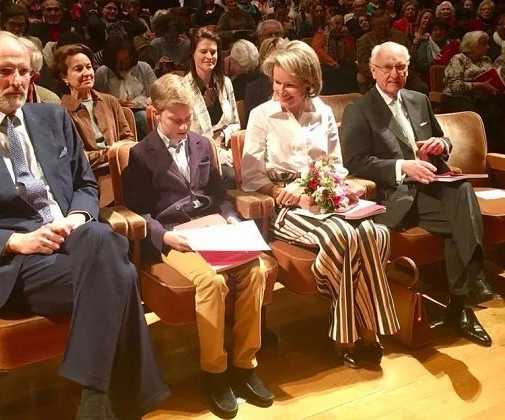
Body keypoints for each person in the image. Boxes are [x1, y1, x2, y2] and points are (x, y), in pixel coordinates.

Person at [0, 30, 169, 420]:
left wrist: (75, 218)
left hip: (74, 241)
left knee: (100, 237)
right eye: (4, 71)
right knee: (117, 267)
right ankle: (115, 400)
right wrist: (16, 241)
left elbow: (85, 183)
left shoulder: (52, 117)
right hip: (15, 266)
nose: (17, 81)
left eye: (23, 71)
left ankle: (95, 400)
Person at [123, 72, 273, 419]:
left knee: (256, 269)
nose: (183, 125)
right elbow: (140, 212)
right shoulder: (141, 155)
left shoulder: (202, 145)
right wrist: (164, 236)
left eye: (188, 117)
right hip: (177, 237)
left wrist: (232, 219)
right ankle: (215, 373)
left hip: (215, 229)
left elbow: (219, 196)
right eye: (176, 119)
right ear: (154, 113)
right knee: (211, 282)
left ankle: (244, 365)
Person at [241, 40, 399, 368]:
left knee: (374, 232)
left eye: (290, 85)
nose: (281, 91)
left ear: (309, 83)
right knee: (344, 236)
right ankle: (356, 334)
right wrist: (280, 190)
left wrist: (332, 185)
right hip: (284, 206)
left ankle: (362, 331)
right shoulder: (261, 115)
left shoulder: (323, 112)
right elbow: (251, 177)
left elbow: (336, 165)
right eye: (277, 82)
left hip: (323, 197)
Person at [340, 41, 501, 348]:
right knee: (460, 217)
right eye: (387, 67)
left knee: (462, 189)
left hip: (435, 187)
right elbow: (355, 163)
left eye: (401, 66)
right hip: (397, 195)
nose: (394, 73)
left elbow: (441, 136)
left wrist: (442, 145)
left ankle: (461, 303)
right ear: (373, 70)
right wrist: (403, 166)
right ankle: (467, 294)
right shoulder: (358, 110)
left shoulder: (418, 99)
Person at [54, 43, 135, 208]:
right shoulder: (60, 112)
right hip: (91, 178)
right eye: (78, 69)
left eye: (89, 67)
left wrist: (116, 154)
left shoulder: (110, 101)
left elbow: (129, 139)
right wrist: (111, 153)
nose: (86, 73)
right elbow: (78, 158)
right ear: (64, 77)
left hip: (122, 170)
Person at [185, 28, 240, 189]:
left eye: (213, 52)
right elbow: (181, 133)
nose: (209, 56)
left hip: (225, 148)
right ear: (192, 54)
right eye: (203, 51)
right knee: (230, 177)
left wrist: (222, 135)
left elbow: (236, 123)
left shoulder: (226, 83)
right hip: (196, 154)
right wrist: (209, 143)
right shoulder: (182, 87)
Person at [442, 31, 504, 153]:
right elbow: (454, 86)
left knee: (498, 113)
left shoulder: (486, 60)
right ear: (473, 45)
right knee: (476, 116)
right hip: (459, 98)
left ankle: (495, 155)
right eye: (484, 44)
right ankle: (475, 152)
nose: (488, 47)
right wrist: (478, 86)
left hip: (483, 98)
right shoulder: (459, 59)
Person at [94, 37, 156, 139]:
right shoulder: (102, 73)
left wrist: (147, 102)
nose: (124, 63)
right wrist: (115, 103)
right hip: (116, 116)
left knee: (143, 116)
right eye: (119, 61)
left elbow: (157, 94)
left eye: (127, 59)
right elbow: (99, 104)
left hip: (144, 111)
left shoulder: (144, 67)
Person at [312, 14, 359, 94]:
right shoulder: (320, 35)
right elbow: (318, 50)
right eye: (337, 23)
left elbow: (351, 52)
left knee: (350, 70)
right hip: (325, 65)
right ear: (330, 24)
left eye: (341, 23)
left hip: (343, 64)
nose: (339, 25)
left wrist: (347, 36)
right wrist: (332, 63)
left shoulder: (346, 35)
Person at [244, 36, 289, 120]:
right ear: (263, 61)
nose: (277, 64)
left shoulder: (296, 85)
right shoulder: (253, 88)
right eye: (273, 60)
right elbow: (251, 122)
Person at [416, 19, 459, 84]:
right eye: (435, 30)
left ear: (445, 32)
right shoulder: (425, 46)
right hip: (430, 81)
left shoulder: (453, 45)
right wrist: (433, 62)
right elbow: (420, 67)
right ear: (431, 32)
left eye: (441, 29)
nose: (438, 32)